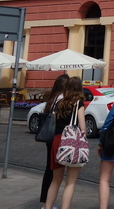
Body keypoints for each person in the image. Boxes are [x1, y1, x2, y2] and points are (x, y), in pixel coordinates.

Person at [44, 77, 87, 209]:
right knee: (70, 182)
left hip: (57, 140)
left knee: (55, 180)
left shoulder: (60, 102)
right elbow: (83, 127)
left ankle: (47, 207)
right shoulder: (78, 103)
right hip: (71, 142)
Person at [40, 73, 69, 207]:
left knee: (49, 169)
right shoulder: (62, 99)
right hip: (57, 137)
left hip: (49, 137)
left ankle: (46, 202)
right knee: (55, 173)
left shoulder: (52, 99)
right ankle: (48, 204)